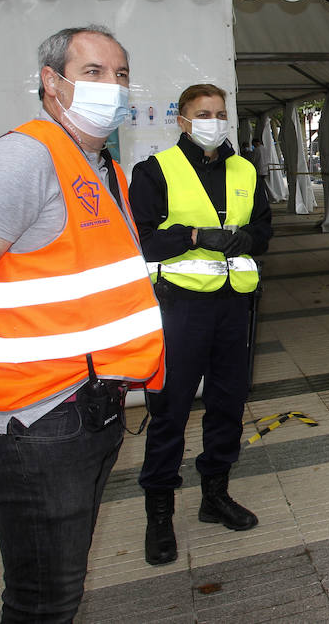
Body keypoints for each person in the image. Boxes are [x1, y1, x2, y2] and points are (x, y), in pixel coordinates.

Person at [0, 25, 165, 622]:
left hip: (85, 409)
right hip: (34, 423)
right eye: (93, 72)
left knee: (56, 595)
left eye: (121, 75)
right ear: (52, 83)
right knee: (43, 604)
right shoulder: (26, 157)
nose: (113, 87)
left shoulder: (102, 170)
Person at [130, 84, 272, 565]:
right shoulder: (154, 171)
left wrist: (247, 237)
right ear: (183, 120)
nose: (213, 120)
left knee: (228, 405)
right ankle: (159, 514)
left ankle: (215, 495)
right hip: (181, 309)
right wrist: (194, 236)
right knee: (169, 409)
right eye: (202, 113)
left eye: (220, 112)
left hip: (236, 306)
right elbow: (143, 241)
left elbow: (266, 231)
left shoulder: (246, 170)